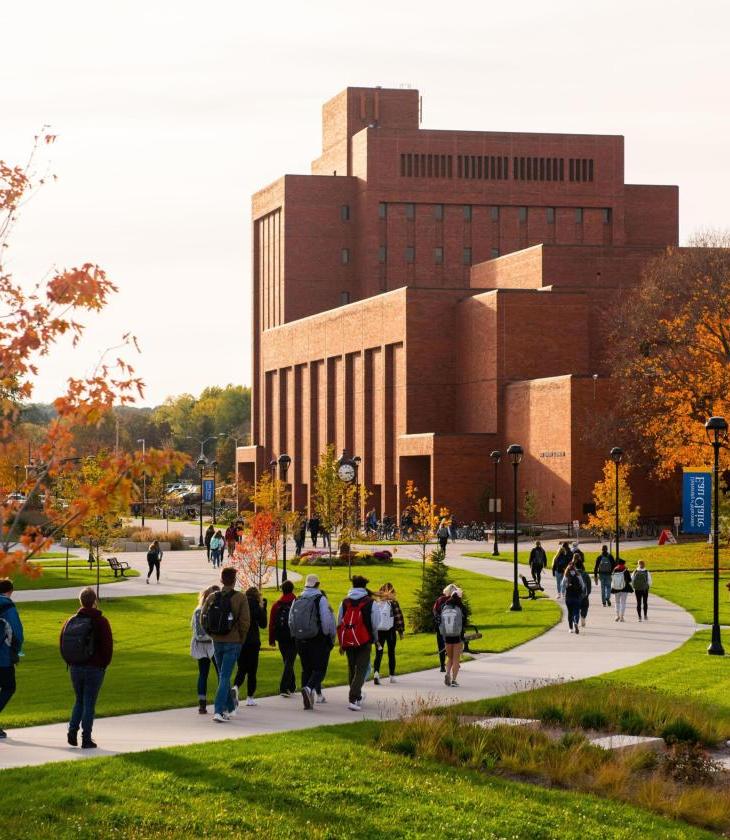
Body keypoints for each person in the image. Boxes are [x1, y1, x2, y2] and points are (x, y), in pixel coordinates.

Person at [60, 587, 113, 748]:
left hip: (75, 666)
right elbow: (107, 646)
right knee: (89, 702)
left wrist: (70, 661)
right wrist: (103, 663)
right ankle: (86, 738)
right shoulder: (101, 621)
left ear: (81, 601)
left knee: (79, 700)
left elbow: (62, 643)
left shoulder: (71, 621)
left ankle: (72, 730)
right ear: (95, 601)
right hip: (94, 667)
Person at [201, 566, 250, 723]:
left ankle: (229, 708)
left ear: (221, 580)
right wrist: (240, 639)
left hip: (217, 641)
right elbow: (245, 622)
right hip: (233, 641)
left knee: (223, 676)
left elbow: (203, 618)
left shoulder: (212, 597)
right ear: (234, 581)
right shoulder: (241, 598)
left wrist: (212, 634)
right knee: (225, 676)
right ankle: (219, 710)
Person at [290, 574, 336, 709]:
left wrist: (296, 635)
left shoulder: (298, 598)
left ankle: (308, 700)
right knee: (320, 669)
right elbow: (326, 620)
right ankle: (309, 688)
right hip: (317, 639)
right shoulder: (320, 599)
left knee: (306, 669)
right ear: (317, 584)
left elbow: (290, 620)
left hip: (300, 639)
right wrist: (328, 635)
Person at [337, 574, 378, 711]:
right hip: (364, 640)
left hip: (348, 639)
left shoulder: (345, 602)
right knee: (361, 669)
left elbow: (340, 622)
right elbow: (375, 624)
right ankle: (353, 697)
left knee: (351, 668)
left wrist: (341, 642)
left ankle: (356, 696)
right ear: (364, 586)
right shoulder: (370, 602)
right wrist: (375, 639)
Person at [233, 587, 268, 706]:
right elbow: (263, 624)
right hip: (253, 641)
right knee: (252, 670)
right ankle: (250, 697)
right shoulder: (256, 606)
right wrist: (264, 608)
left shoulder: (241, 604)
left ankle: (236, 687)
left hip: (241, 640)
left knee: (241, 668)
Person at [190, 584, 220, 714]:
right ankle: (218, 703)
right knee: (219, 673)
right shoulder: (206, 610)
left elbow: (197, 632)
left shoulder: (198, 609)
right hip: (212, 644)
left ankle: (203, 705)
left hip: (203, 644)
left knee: (204, 674)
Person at [0, 579, 23, 739]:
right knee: (9, 687)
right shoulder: (8, 606)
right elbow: (17, 632)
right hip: (3, 656)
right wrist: (16, 649)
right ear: (10, 591)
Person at [268, 580, 298, 696]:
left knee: (287, 660)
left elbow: (271, 623)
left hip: (281, 636)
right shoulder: (297, 602)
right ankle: (284, 688)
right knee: (289, 661)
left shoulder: (277, 604)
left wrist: (271, 639)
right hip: (293, 635)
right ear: (292, 589)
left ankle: (292, 685)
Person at [372, 582, 405, 685]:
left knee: (379, 653)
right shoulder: (393, 603)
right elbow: (398, 617)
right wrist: (400, 631)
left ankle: (376, 673)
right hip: (390, 631)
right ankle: (392, 676)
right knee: (391, 653)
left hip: (378, 632)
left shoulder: (376, 603)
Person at [434, 585, 468, 686]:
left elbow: (438, 615)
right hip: (457, 637)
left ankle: (447, 673)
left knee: (449, 658)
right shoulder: (460, 607)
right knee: (456, 659)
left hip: (447, 636)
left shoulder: (444, 605)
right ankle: (454, 680)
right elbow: (464, 622)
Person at [432, 584, 455, 673]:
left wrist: (438, 618)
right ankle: (452, 663)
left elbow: (434, 610)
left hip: (441, 626)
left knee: (441, 645)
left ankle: (442, 666)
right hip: (452, 627)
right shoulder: (454, 600)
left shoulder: (440, 599)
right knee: (452, 644)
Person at [561, 562, 586, 634]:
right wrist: (581, 592)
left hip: (568, 597)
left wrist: (563, 593)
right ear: (574, 568)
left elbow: (562, 585)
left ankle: (570, 628)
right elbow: (583, 585)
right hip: (577, 596)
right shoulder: (578, 575)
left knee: (570, 612)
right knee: (576, 612)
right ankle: (576, 623)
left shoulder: (566, 575)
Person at [611, 557, 633, 622]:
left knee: (617, 602)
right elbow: (629, 580)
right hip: (625, 588)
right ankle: (622, 617)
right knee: (623, 602)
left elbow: (612, 578)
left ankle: (617, 616)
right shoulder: (625, 570)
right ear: (624, 563)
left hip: (616, 588)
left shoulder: (615, 569)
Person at [575, 557, 592, 628]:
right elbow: (589, 584)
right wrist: (588, 593)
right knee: (585, 607)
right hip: (584, 594)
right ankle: (583, 617)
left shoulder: (574, 574)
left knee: (576, 608)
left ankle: (576, 621)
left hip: (575, 594)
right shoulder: (585, 574)